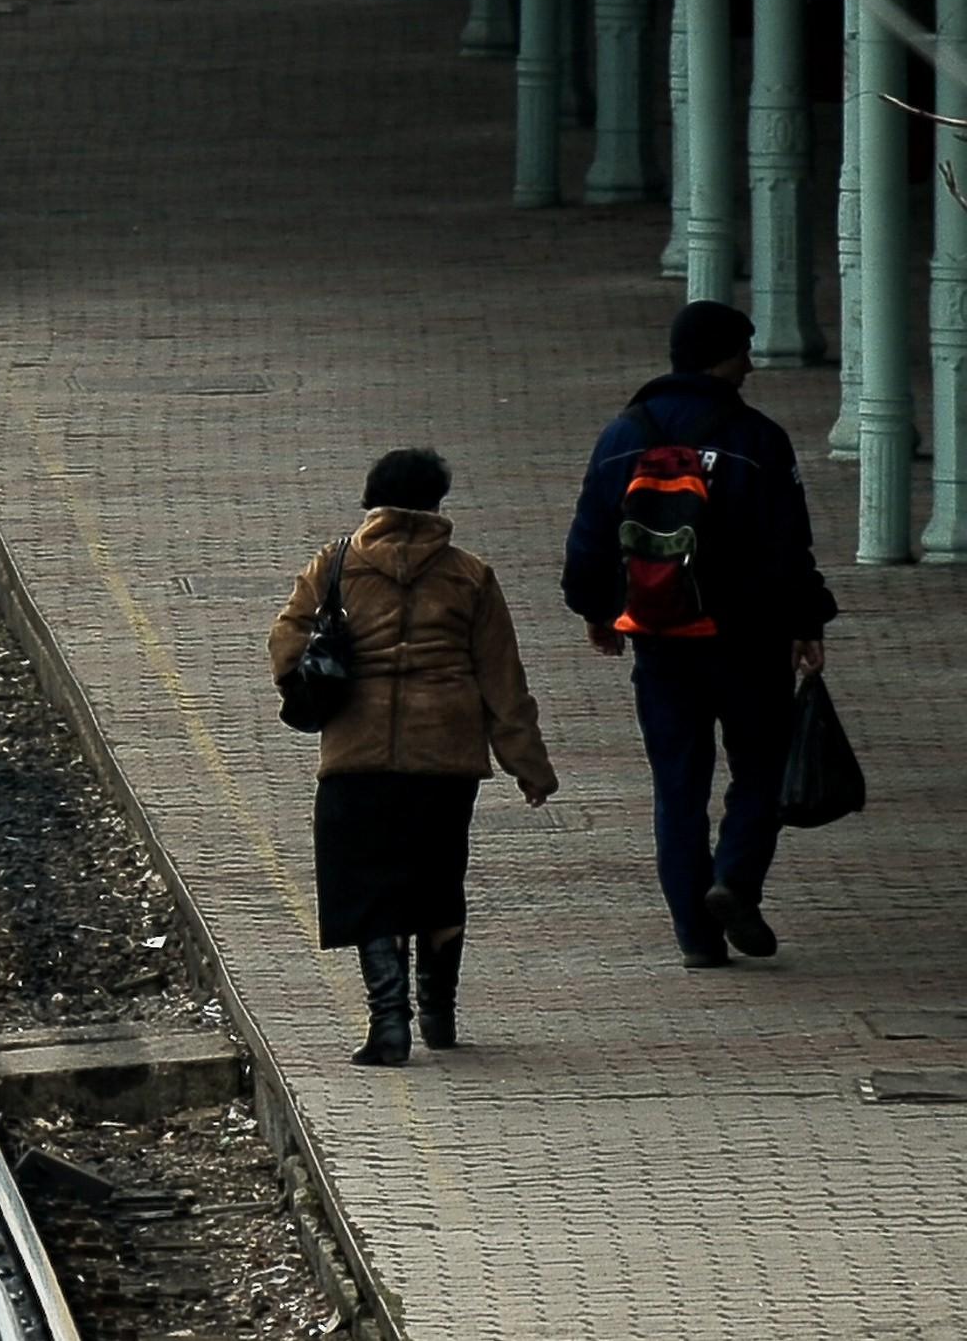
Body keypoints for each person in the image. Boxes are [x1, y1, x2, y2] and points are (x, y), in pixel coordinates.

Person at [563, 300, 835, 968]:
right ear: (719, 354)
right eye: (744, 349)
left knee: (678, 787)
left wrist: (599, 610)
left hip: (660, 639)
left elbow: (591, 536)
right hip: (746, 639)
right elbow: (787, 543)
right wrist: (805, 620)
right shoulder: (757, 438)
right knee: (761, 769)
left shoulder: (622, 435)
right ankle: (735, 880)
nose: (751, 362)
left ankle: (696, 937)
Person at [269, 447, 556, 1068]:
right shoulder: (470, 575)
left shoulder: (335, 564)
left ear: (371, 498)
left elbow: (285, 645)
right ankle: (440, 1013)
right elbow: (503, 681)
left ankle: (388, 1025)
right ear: (436, 504)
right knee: (437, 881)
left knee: (368, 888)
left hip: (357, 755)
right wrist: (528, 764)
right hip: (445, 758)